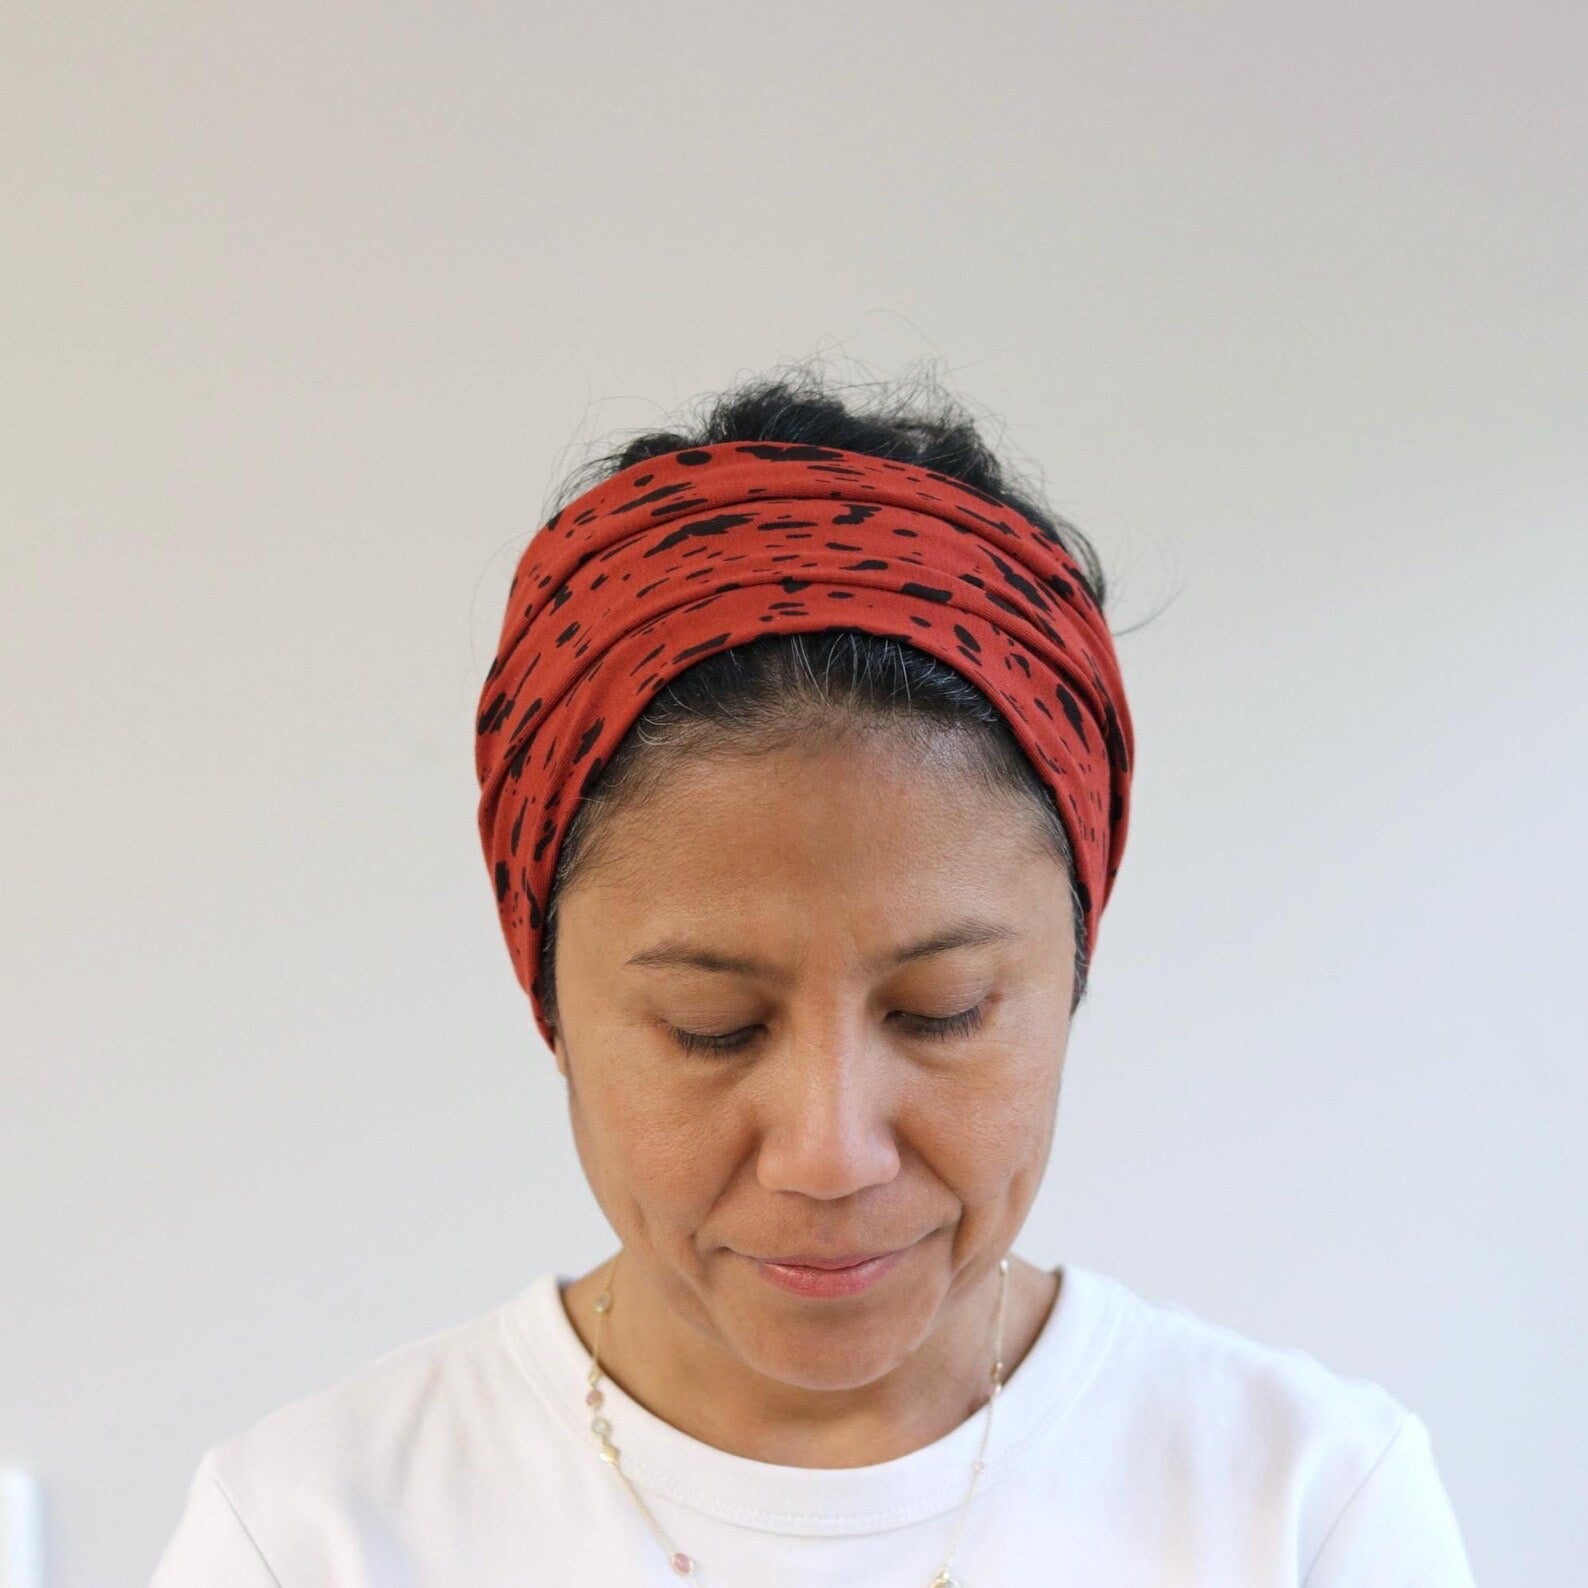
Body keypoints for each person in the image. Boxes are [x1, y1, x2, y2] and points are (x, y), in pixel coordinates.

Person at [149, 367, 1477, 1585]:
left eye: (941, 1012)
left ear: (1073, 971)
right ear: (546, 996)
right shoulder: (316, 1535)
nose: (830, 1155)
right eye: (711, 1027)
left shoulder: (1305, 1512)